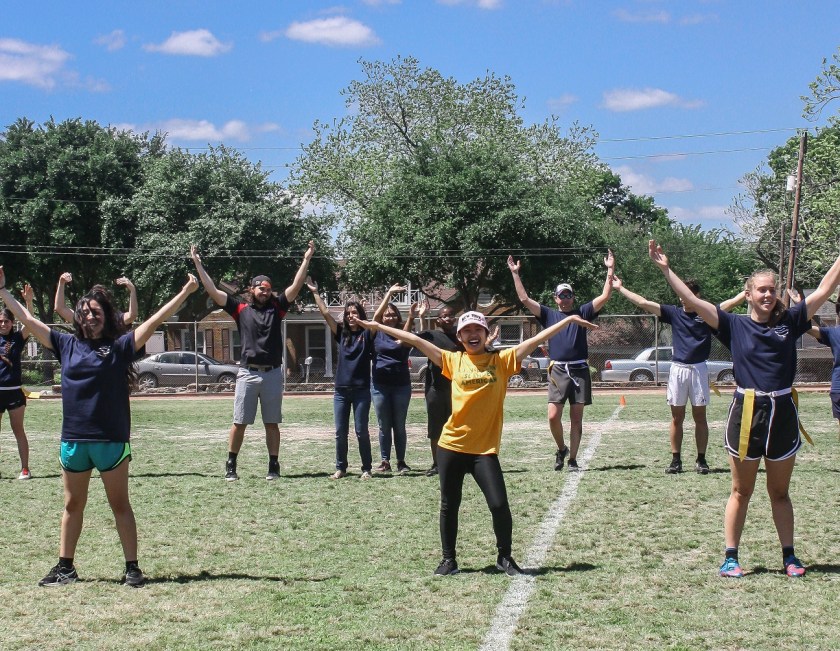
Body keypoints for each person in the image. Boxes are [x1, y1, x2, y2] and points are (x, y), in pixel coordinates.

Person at [649, 240, 840, 578]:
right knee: (741, 490)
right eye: (761, 290)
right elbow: (692, 302)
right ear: (748, 294)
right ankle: (731, 557)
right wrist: (666, 269)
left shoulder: (792, 320)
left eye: (772, 290)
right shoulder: (733, 325)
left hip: (782, 411)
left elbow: (826, 287)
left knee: (780, 492)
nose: (767, 295)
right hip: (747, 411)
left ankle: (790, 556)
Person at [0, 264, 198, 587]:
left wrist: (185, 293)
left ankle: (132, 568)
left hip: (110, 440)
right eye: (85, 312)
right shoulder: (66, 345)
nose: (90, 317)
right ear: (77, 318)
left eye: (96, 312)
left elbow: (154, 321)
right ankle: (66, 568)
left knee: (120, 504)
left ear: (106, 316)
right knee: (72, 504)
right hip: (74, 441)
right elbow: (29, 321)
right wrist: (3, 292)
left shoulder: (119, 347)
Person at [357, 309, 597, 575]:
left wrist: (569, 320)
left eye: (477, 330)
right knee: (449, 504)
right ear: (460, 337)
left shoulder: (502, 361)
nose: (473, 335)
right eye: (467, 331)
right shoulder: (452, 360)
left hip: (484, 450)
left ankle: (504, 557)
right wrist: (376, 325)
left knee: (498, 504)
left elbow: (537, 337)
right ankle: (449, 560)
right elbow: (414, 340)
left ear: (485, 334)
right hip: (451, 446)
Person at [191, 242, 315, 481]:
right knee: (240, 422)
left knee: (271, 423)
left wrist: (306, 259)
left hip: (271, 374)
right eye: (261, 288)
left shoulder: (277, 308)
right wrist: (198, 263)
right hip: (247, 374)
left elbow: (296, 285)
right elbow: (213, 291)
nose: (265, 291)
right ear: (252, 290)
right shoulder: (240, 309)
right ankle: (231, 464)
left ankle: (273, 465)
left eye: (268, 288)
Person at [611, 275, 745, 474]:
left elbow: (730, 303)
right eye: (681, 293)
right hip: (678, 369)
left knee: (700, 416)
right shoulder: (674, 313)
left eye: (689, 294)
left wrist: (745, 292)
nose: (683, 298)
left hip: (699, 368)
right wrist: (620, 288)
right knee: (677, 417)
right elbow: (643, 302)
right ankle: (676, 460)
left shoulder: (707, 314)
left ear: (697, 295)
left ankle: (701, 459)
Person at [507, 250, 614, 471]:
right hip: (558, 371)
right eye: (561, 296)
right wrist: (515, 273)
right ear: (555, 298)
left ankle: (573, 459)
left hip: (580, 370)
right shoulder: (548, 315)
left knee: (576, 418)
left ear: (572, 297)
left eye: (568, 295)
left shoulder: (583, 311)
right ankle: (562, 448)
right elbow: (524, 299)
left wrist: (610, 269)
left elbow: (605, 296)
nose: (565, 299)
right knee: (553, 416)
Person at [306, 278, 375, 480]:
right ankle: (341, 468)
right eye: (348, 313)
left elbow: (377, 318)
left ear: (361, 315)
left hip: (362, 390)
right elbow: (326, 314)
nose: (351, 316)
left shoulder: (367, 334)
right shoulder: (341, 333)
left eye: (355, 313)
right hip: (341, 391)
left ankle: (366, 468)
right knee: (340, 432)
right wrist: (315, 293)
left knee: (361, 431)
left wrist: (366, 320)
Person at [407, 301, 462, 476]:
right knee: (436, 429)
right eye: (444, 316)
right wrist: (421, 316)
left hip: (457, 389)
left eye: (451, 315)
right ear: (437, 320)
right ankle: (437, 464)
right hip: (435, 389)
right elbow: (415, 338)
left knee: (457, 427)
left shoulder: (460, 337)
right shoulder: (432, 335)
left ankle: (457, 463)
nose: (448, 318)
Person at [371, 285, 413, 475]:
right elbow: (375, 319)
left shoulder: (402, 335)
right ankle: (385, 460)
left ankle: (401, 462)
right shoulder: (376, 333)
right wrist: (388, 293)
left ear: (398, 318)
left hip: (401, 385)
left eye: (393, 315)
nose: (390, 317)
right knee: (383, 425)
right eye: (387, 315)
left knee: (399, 425)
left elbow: (407, 337)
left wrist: (412, 316)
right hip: (379, 385)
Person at [0, 283, 35, 480]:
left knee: (18, 430)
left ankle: (25, 469)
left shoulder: (17, 338)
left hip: (14, 392)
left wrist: (28, 302)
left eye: (7, 321)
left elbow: (30, 323)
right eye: (0, 321)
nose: (3, 324)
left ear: (12, 323)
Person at [55, 272, 138, 331]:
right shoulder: (85, 319)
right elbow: (60, 308)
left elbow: (132, 315)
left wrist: (132, 290)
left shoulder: (114, 318)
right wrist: (61, 283)